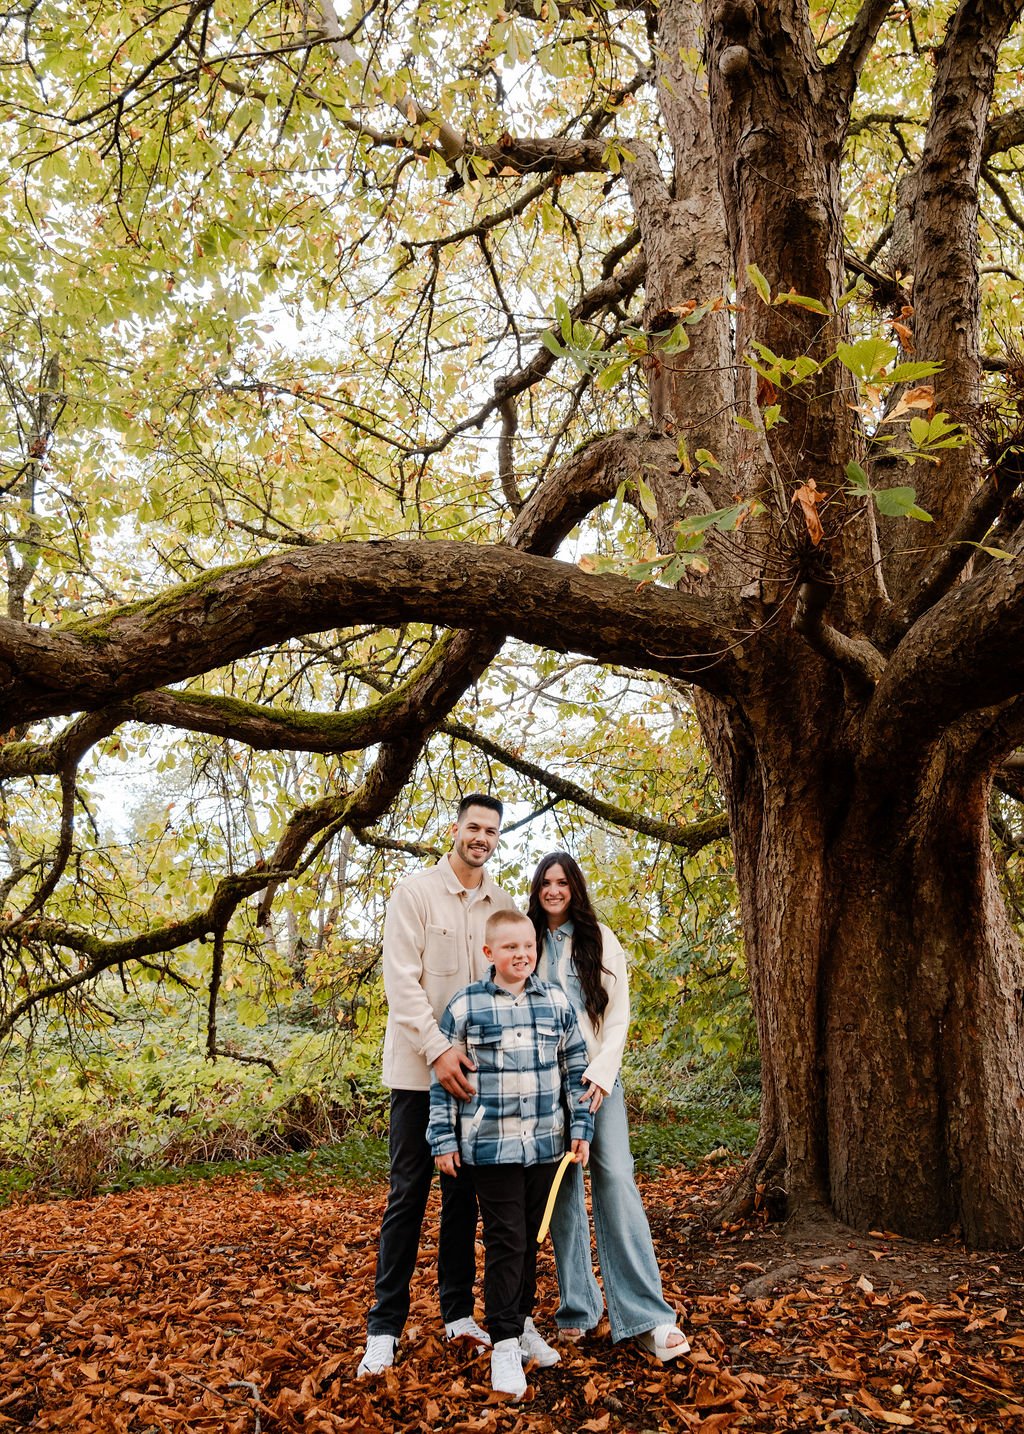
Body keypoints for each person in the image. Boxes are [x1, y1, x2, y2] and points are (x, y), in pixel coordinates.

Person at [356, 794, 516, 1378]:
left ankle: (457, 1314)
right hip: (419, 1074)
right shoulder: (415, 892)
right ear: (455, 829)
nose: (482, 837)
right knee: (408, 1198)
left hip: (477, 1082)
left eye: (492, 831)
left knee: (463, 1200)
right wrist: (439, 1050)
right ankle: (384, 1329)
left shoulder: (501, 904)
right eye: (474, 827)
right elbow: (401, 985)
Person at [527, 851, 689, 1362]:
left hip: (597, 1082)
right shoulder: (526, 941)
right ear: (536, 889)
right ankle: (578, 1308)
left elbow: (618, 1018)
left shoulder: (601, 940)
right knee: (563, 1194)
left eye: (562, 882)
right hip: (543, 1088)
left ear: (574, 887)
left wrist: (600, 1074)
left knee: (616, 1177)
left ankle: (647, 1315)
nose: (553, 891)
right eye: (545, 883)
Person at [428, 908, 593, 1398]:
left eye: (527, 946)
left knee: (531, 1241)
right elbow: (444, 1083)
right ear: (489, 954)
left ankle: (521, 1324)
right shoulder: (466, 1007)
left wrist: (580, 1128)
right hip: (491, 1148)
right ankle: (503, 1345)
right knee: (506, 1241)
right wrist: (442, 1140)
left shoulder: (556, 1002)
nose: (521, 955)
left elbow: (576, 1069)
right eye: (509, 948)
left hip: (545, 1145)